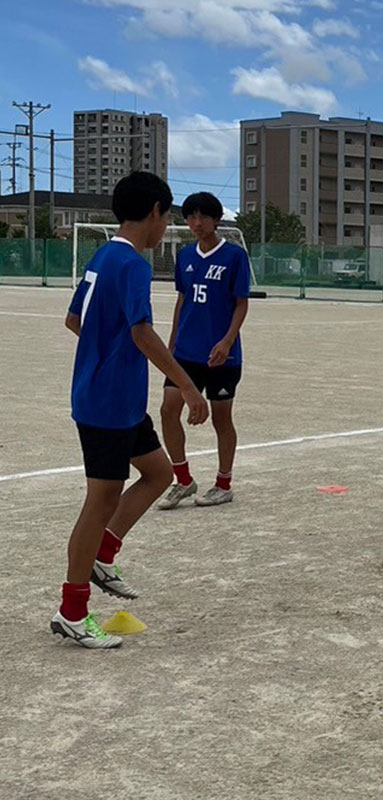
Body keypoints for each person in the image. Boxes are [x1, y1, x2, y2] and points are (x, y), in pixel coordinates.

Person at [52, 171, 209, 649]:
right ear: (156, 212)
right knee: (99, 502)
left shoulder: (102, 255)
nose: (168, 228)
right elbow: (143, 333)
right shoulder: (135, 265)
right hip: (106, 403)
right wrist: (188, 387)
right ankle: (72, 611)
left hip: (114, 399)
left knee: (160, 473)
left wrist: (106, 351)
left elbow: (74, 318)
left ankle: (104, 554)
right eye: (169, 218)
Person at [158, 192, 252, 509]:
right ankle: (183, 480)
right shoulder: (184, 256)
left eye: (203, 217)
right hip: (186, 352)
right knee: (168, 409)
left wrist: (227, 341)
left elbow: (241, 304)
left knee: (221, 420)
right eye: (191, 217)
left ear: (216, 220)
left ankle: (223, 483)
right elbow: (182, 300)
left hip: (222, 356)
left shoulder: (235, 257)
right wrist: (172, 341)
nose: (196, 223)